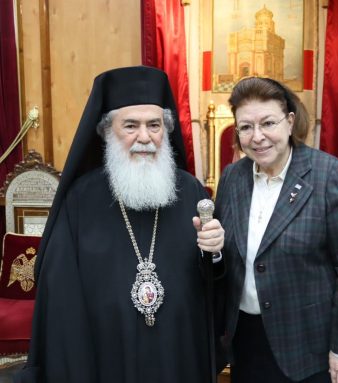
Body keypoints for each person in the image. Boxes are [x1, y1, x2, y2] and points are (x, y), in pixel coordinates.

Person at [15, 66, 225, 383]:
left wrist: (215, 252)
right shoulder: (80, 200)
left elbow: (211, 283)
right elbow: (58, 292)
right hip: (103, 355)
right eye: (130, 125)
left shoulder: (190, 191)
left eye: (154, 125)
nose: (144, 137)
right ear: (105, 131)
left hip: (177, 352)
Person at [214, 77, 338, 383]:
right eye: (246, 127)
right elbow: (229, 256)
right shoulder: (233, 177)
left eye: (268, 123)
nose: (257, 137)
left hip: (310, 344)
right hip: (247, 341)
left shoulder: (328, 175)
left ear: (289, 122)